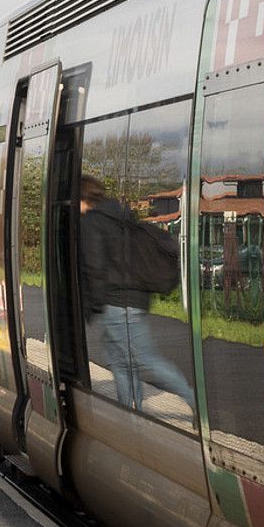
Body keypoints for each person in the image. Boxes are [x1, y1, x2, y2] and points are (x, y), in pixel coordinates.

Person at [77, 175, 195, 412]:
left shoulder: (92, 221)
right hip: (134, 300)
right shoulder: (121, 216)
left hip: (116, 303)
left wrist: (93, 305)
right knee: (120, 363)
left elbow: (94, 266)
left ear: (81, 197)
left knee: (144, 359)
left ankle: (194, 401)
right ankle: (130, 413)